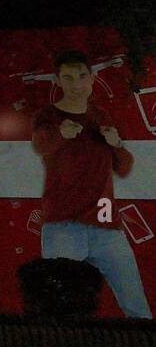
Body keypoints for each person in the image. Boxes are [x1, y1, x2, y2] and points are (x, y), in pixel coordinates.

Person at [30, 50, 151, 318]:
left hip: (107, 228)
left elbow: (124, 167)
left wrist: (116, 145)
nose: (77, 84)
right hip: (63, 226)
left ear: (92, 78)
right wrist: (60, 134)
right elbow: (40, 144)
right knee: (61, 313)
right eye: (69, 78)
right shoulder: (48, 117)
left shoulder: (102, 116)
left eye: (82, 76)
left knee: (138, 309)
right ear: (58, 81)